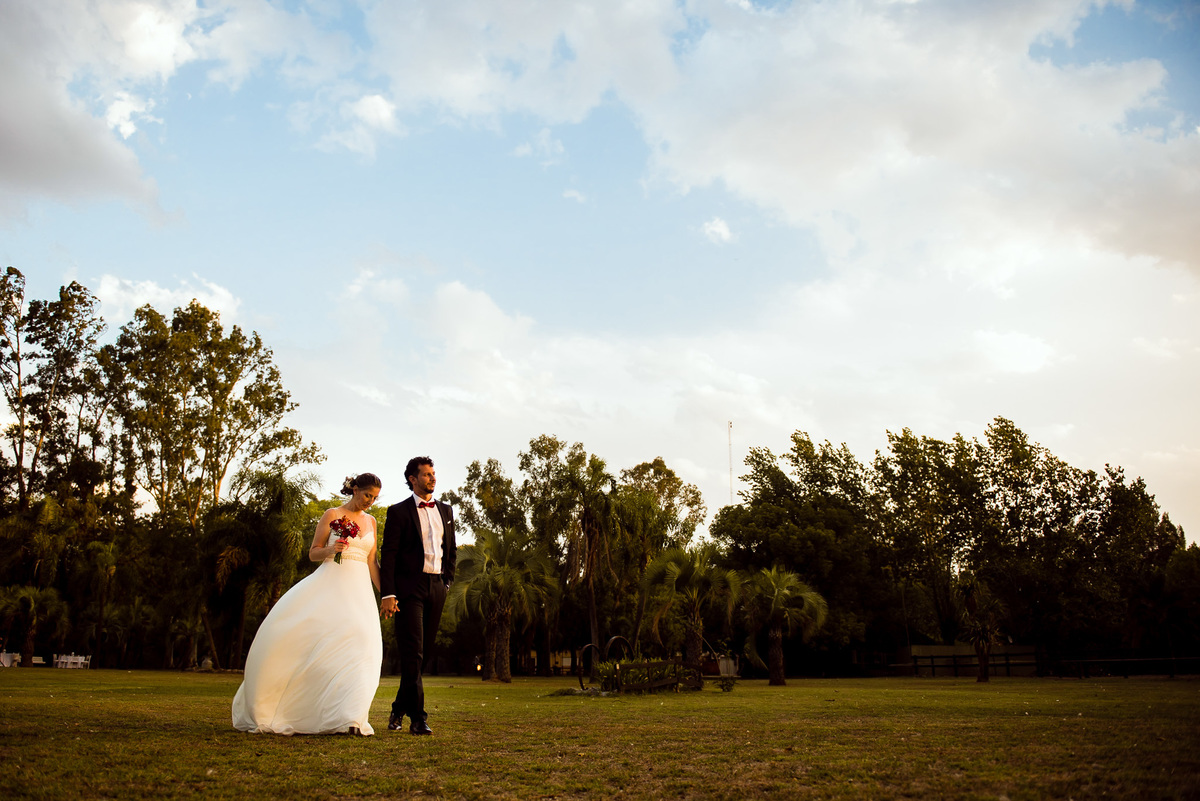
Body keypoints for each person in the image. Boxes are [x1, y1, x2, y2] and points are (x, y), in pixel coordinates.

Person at [232, 473, 384, 735]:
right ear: (355, 489)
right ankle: (297, 705)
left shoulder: (371, 521)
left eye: (375, 498)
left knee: (363, 646)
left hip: (360, 592)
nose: (370, 501)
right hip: (332, 582)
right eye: (367, 495)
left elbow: (372, 561)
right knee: (318, 639)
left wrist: (387, 594)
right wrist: (331, 550)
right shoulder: (332, 514)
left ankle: (351, 717)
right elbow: (313, 552)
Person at [379, 456, 456, 735]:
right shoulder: (398, 512)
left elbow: (451, 550)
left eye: (433, 473)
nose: (432, 478)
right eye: (426, 474)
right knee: (414, 652)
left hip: (436, 587)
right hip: (409, 590)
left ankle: (398, 708)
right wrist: (389, 592)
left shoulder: (446, 510)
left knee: (419, 656)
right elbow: (389, 555)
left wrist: (447, 581)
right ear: (413, 479)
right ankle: (418, 718)